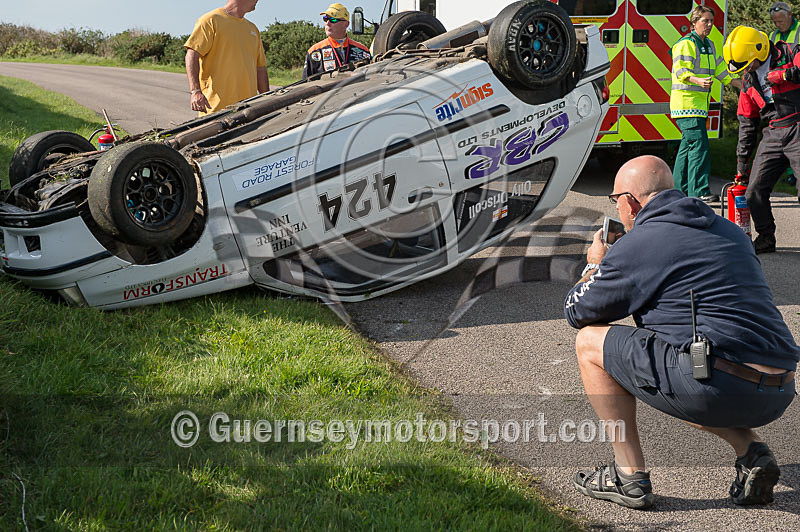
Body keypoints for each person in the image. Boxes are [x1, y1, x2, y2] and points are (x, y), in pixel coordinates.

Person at [564, 155, 798, 509]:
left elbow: (578, 311)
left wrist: (595, 265)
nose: (618, 209)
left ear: (630, 202)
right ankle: (750, 451)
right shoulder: (728, 230)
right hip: (780, 387)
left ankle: (628, 475)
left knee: (590, 343)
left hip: (720, 386)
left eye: (615, 200)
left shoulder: (640, 243)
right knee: (688, 365)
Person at [724, 25, 800, 253]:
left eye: (748, 64)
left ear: (758, 50)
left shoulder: (791, 52)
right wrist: (741, 167)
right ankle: (766, 238)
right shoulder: (749, 81)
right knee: (754, 190)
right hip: (773, 132)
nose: (746, 70)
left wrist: (785, 74)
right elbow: (747, 125)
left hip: (798, 125)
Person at [670, 6, 741, 203]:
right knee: (699, 148)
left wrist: (741, 84)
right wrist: (698, 81)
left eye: (711, 21)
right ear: (694, 23)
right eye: (705, 21)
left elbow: (721, 71)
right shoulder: (686, 44)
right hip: (686, 106)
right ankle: (699, 191)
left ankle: (679, 192)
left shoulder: (709, 45)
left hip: (698, 107)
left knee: (687, 148)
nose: (709, 25)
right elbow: (681, 71)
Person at [184, 0, 269, 115]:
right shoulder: (210, 20)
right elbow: (192, 54)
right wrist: (195, 91)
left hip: (247, 110)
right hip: (215, 110)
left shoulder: (252, 29)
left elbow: (260, 69)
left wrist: (267, 100)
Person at [768, 2, 800, 197]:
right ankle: (789, 174)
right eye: (774, 22)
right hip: (780, 91)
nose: (777, 25)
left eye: (780, 21)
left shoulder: (798, 32)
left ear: (790, 15)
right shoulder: (773, 36)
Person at [302, 3, 372, 80]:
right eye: (325, 19)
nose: (328, 23)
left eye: (333, 19)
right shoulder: (314, 51)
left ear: (346, 24)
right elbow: (305, 83)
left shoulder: (363, 51)